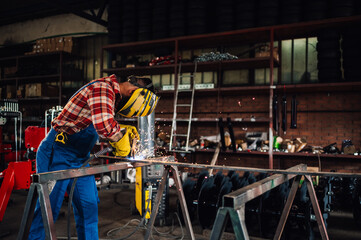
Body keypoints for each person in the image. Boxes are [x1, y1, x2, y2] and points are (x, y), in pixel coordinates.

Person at [28, 74, 159, 239]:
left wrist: (122, 129)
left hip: (80, 159)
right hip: (57, 153)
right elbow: (105, 126)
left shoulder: (109, 99)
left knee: (88, 207)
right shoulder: (103, 89)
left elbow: (97, 121)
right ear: (132, 91)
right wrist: (121, 140)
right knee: (47, 211)